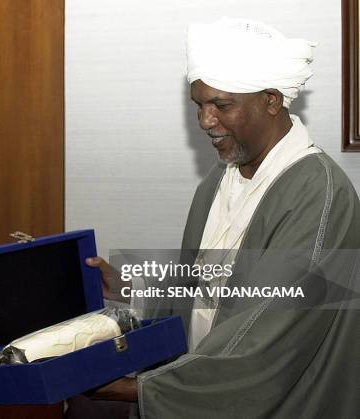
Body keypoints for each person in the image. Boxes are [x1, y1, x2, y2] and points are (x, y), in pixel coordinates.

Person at [79, 18, 360, 418]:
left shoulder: (319, 196)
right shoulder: (220, 179)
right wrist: (134, 289)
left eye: (221, 105)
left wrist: (136, 389)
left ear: (271, 100)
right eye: (199, 105)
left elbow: (267, 340)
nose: (205, 121)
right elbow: (212, 293)